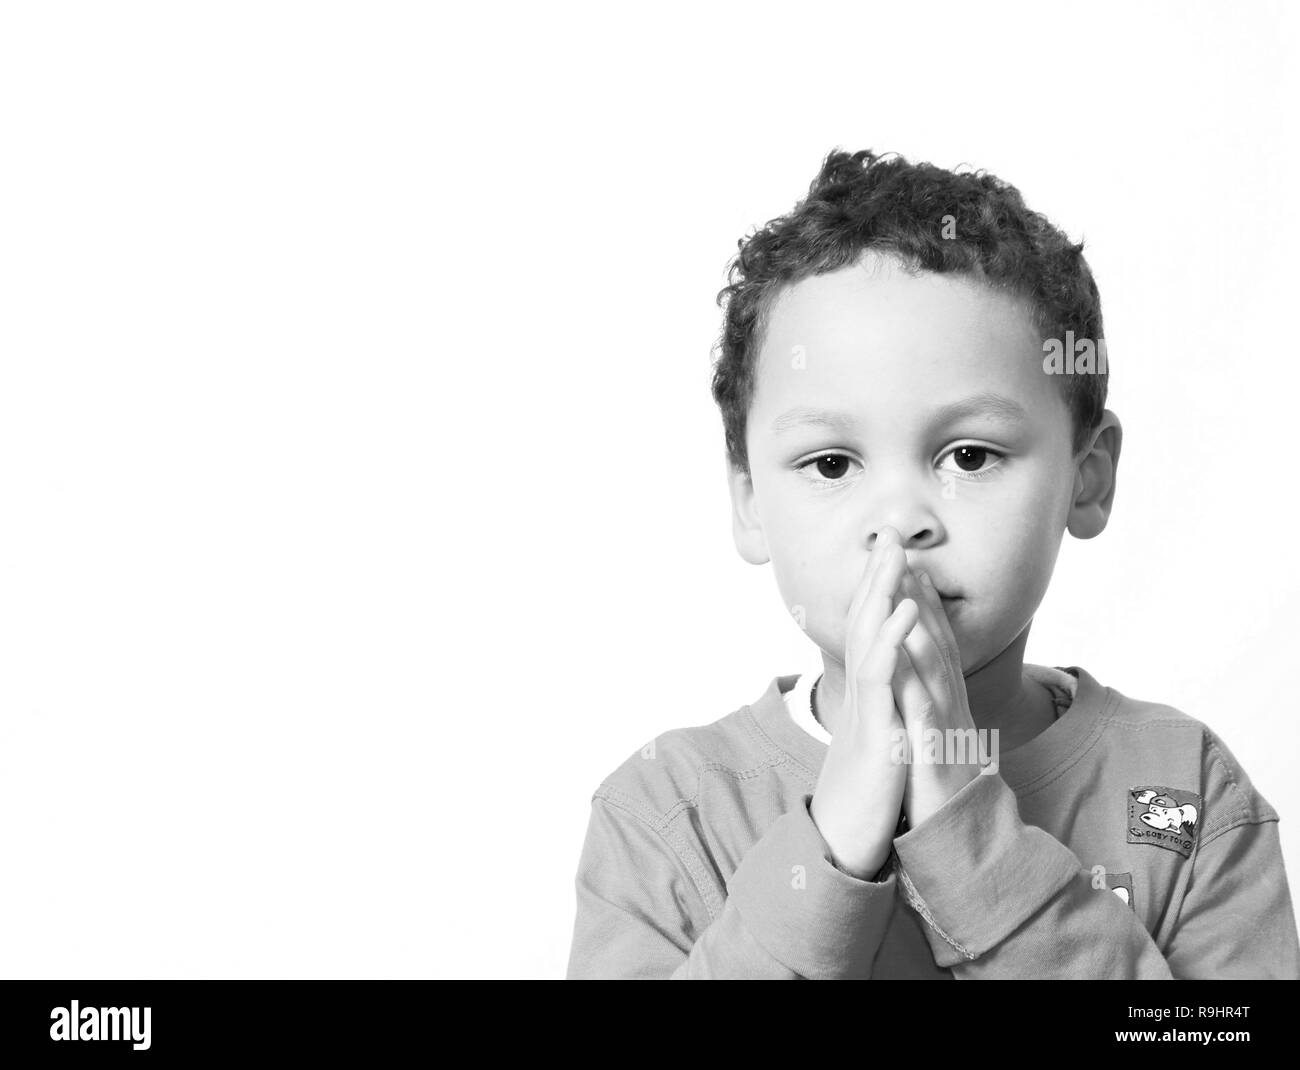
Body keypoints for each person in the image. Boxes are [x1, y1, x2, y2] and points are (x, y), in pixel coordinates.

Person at [564, 149, 1300, 978]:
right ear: (747, 498)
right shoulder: (668, 813)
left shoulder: (1182, 797)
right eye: (833, 464)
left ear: (1087, 478)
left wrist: (971, 842)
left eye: (972, 455)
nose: (901, 520)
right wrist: (831, 843)